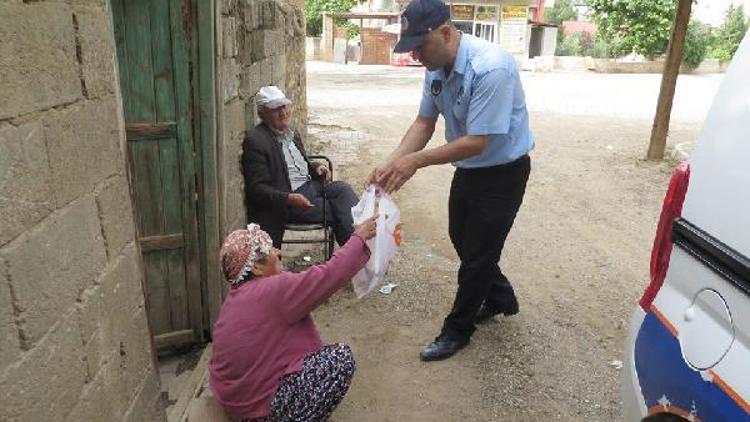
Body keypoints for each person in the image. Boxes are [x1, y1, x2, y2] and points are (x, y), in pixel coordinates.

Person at [366, 0, 533, 361]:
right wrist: (390, 162)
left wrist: (415, 162)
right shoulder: (436, 67)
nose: (414, 55)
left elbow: (478, 141)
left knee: (477, 256)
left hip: (503, 173)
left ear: (445, 32)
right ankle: (501, 296)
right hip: (470, 170)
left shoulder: (491, 68)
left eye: (419, 46)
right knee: (462, 239)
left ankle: (458, 329)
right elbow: (424, 123)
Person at [209, 218, 377, 421]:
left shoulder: (235, 299)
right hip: (259, 408)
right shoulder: (273, 291)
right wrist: (358, 238)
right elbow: (328, 276)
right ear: (256, 269)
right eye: (270, 249)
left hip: (237, 403)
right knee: (339, 360)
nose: (278, 252)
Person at [242, 85, 359, 248]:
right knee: (343, 211)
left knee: (343, 190)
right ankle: (357, 256)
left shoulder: (291, 132)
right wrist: (289, 198)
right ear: (262, 114)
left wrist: (316, 167)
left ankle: (355, 255)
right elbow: (257, 189)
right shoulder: (257, 141)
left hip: (312, 186)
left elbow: (299, 164)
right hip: (291, 201)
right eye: (275, 109)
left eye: (284, 106)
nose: (283, 112)